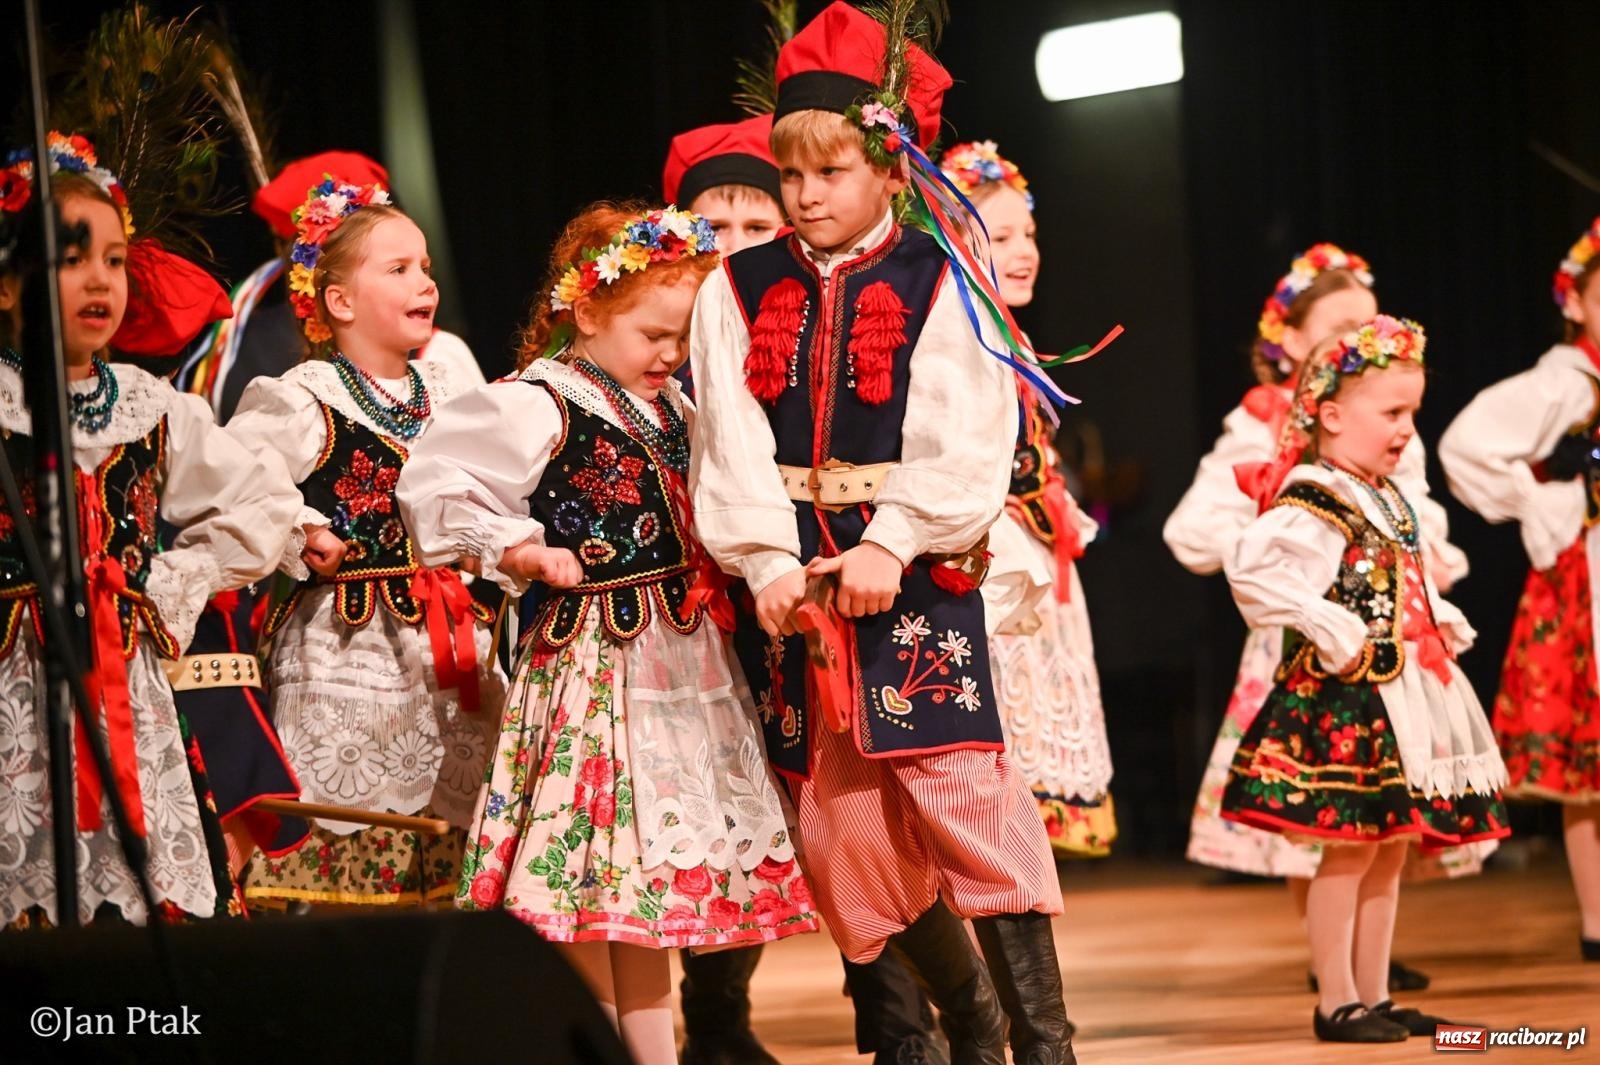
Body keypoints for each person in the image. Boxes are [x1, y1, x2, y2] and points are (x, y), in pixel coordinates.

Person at [397, 201, 818, 1065]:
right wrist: (517, 545)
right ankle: (581, 1046)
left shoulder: (679, 413)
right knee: (590, 877)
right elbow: (434, 485)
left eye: (682, 339)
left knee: (643, 888)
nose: (670, 355)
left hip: (681, 662)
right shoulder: (539, 403)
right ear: (587, 311)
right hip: (595, 670)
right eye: (654, 333)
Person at [1220, 315, 1509, 1041]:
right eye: (1393, 413)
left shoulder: (1380, 492)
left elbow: (1398, 575)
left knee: (1389, 845)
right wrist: (1329, 624)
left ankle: (1374, 994)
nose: (1406, 428)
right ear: (1331, 413)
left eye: (1411, 412)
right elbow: (1255, 571)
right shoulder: (1319, 492)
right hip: (1349, 696)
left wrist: (1438, 613)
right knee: (1349, 848)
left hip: (1399, 686)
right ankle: (1336, 998)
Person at [230, 178, 501, 908]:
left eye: (426, 267)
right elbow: (237, 482)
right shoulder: (304, 394)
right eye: (399, 269)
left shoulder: (451, 389)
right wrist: (302, 529)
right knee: (350, 841)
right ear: (339, 301)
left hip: (450, 644)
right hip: (349, 650)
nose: (426, 282)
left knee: (448, 844)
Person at [1439, 215, 1600, 963]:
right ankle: (1599, 922)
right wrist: (1550, 504)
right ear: (1578, 302)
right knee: (1588, 772)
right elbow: (1466, 445)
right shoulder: (1566, 382)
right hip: (1586, 579)